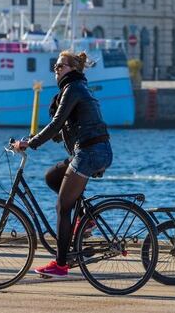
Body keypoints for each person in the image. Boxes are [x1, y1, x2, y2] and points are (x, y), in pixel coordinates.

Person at [12, 51, 112, 278]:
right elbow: (64, 128)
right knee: (52, 177)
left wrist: (31, 143)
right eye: (55, 67)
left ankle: (60, 264)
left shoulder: (74, 88)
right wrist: (42, 137)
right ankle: (86, 219)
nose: (56, 70)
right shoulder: (74, 88)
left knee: (62, 207)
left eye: (60, 66)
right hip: (90, 151)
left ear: (73, 68)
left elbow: (57, 123)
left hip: (91, 153)